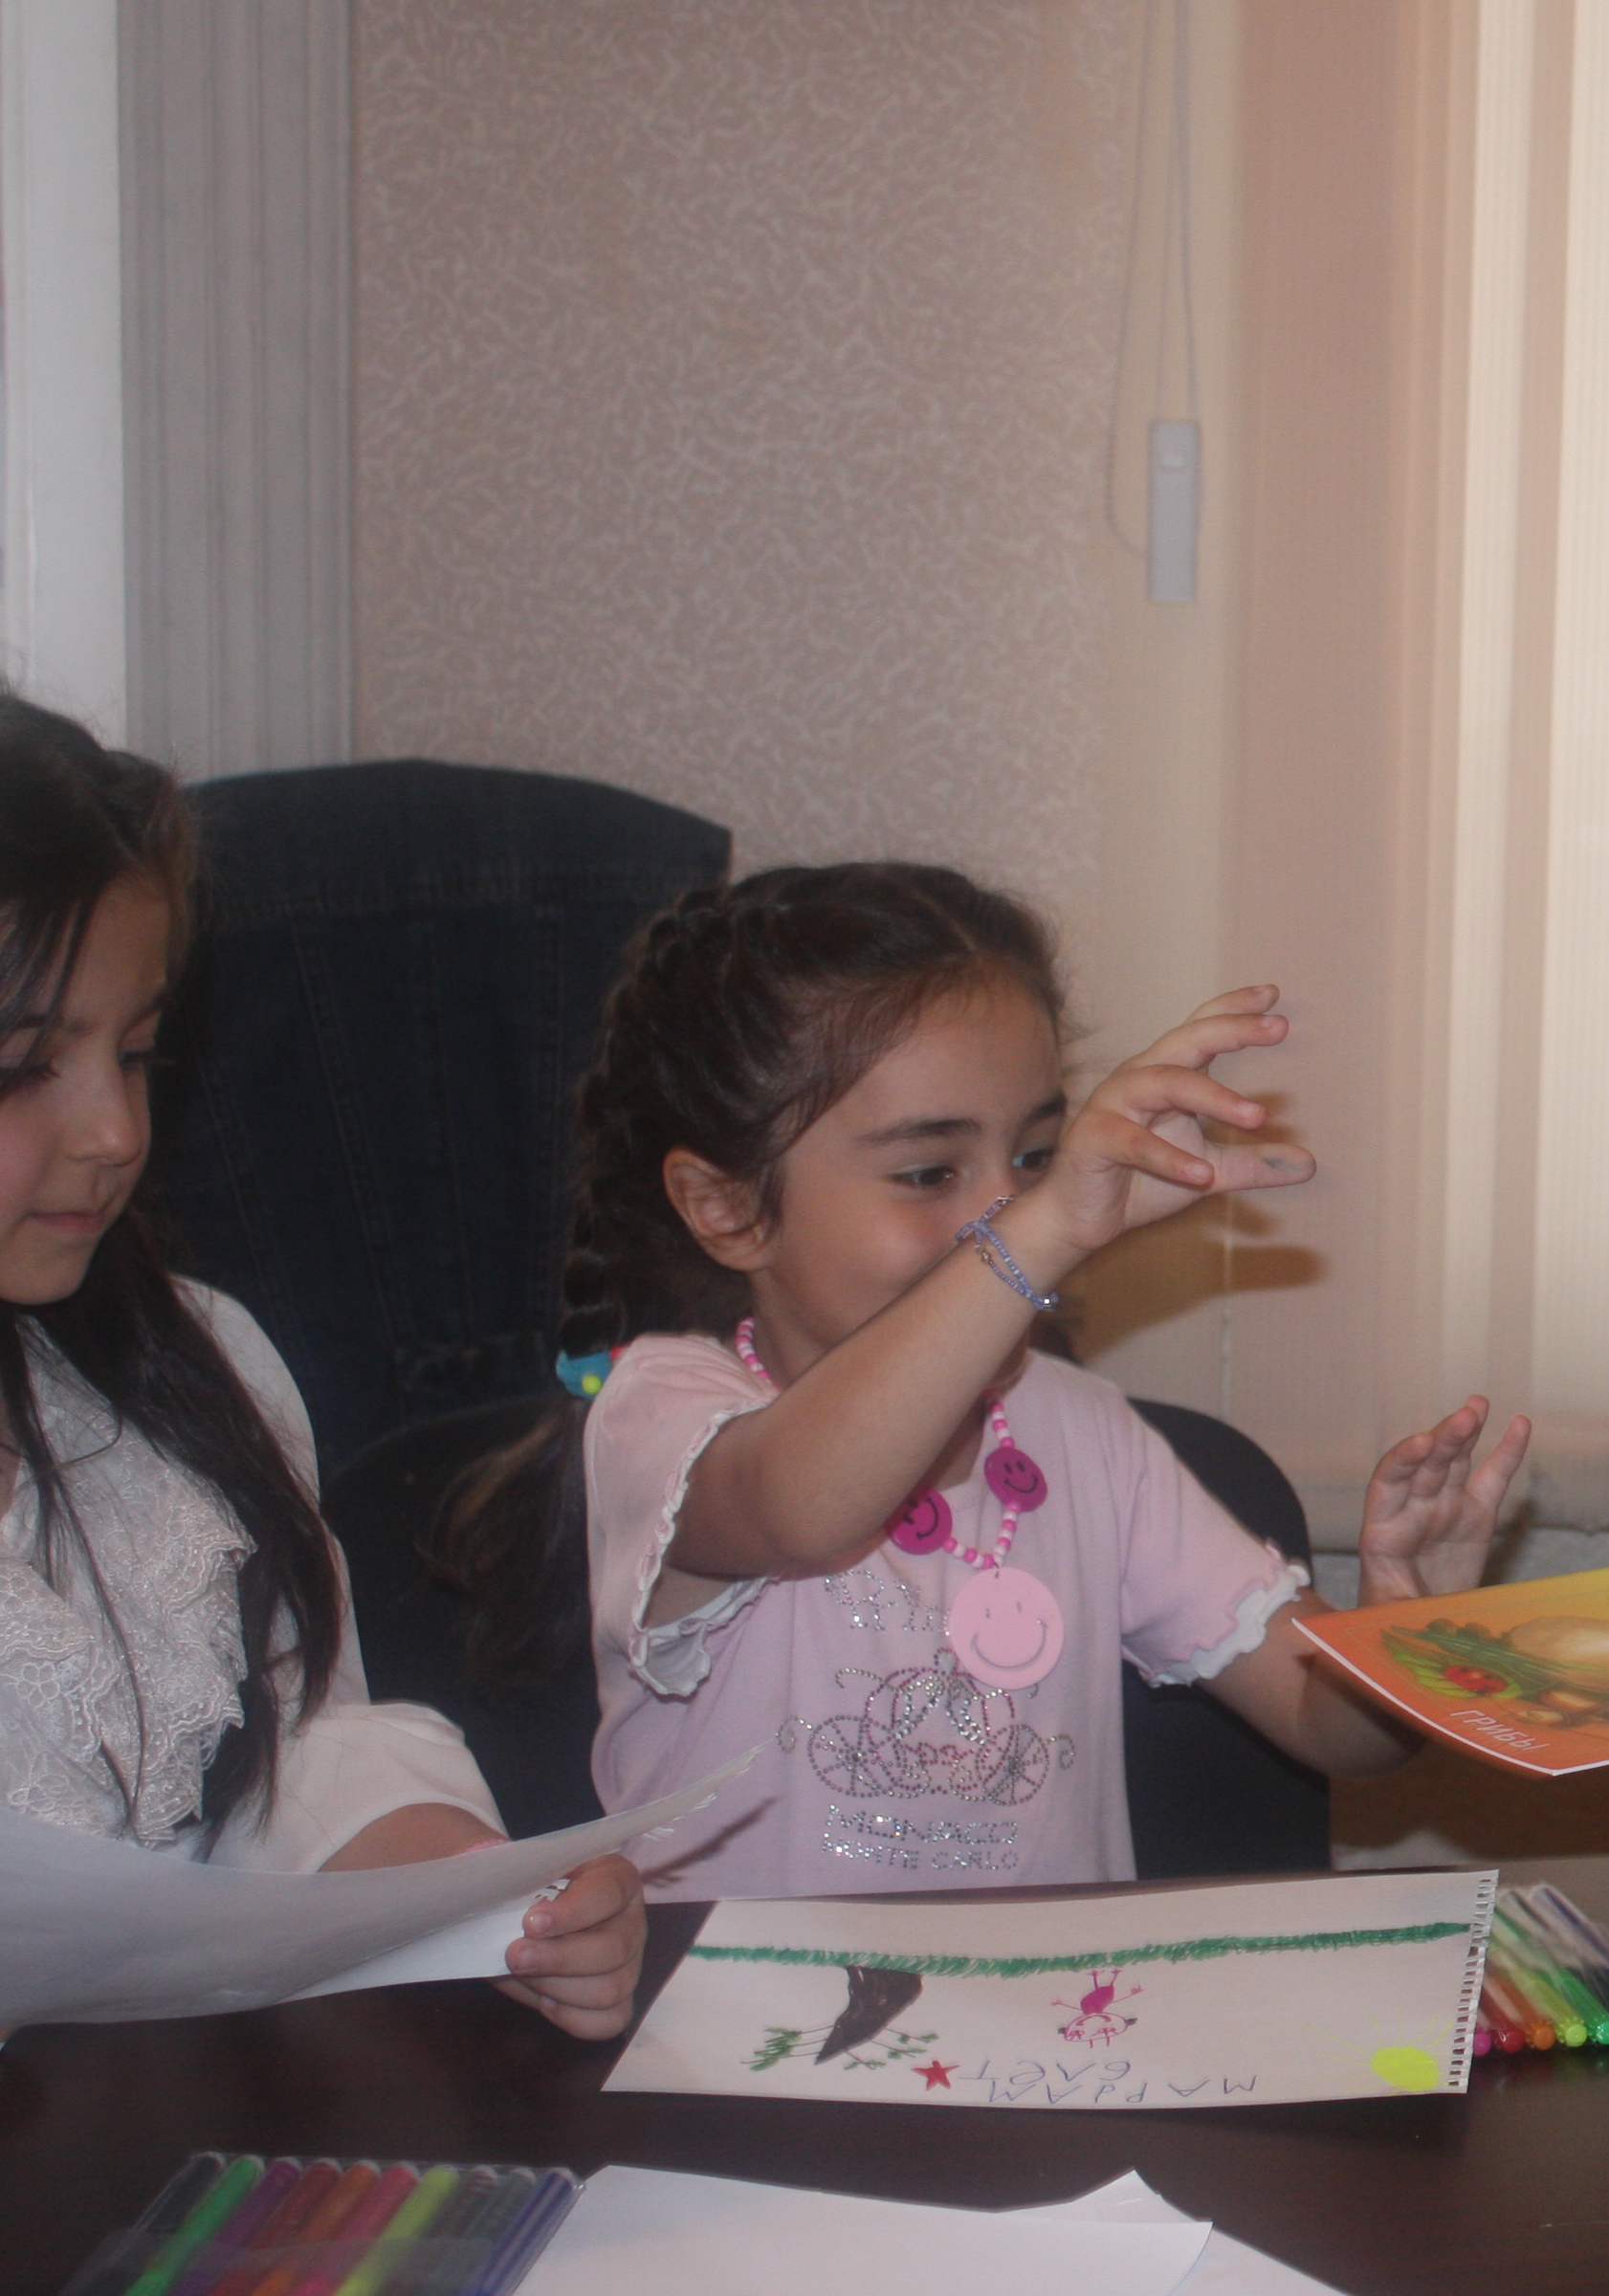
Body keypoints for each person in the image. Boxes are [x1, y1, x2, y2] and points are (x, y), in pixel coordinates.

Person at [446, 863, 1528, 1897]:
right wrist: (1035, 1234)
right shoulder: (664, 1411)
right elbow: (803, 1508)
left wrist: (1407, 1636)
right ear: (728, 1208)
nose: (1006, 1209)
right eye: (929, 1172)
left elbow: (1327, 1726)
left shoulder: (1087, 1432)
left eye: (1036, 1158)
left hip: (1047, 2022)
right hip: (744, 2021)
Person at [0, 695, 646, 2032]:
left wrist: (477, 1891)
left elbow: (287, 1756)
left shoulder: (185, 1372)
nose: (113, 1131)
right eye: (22, 1067)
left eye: (136, 1051)